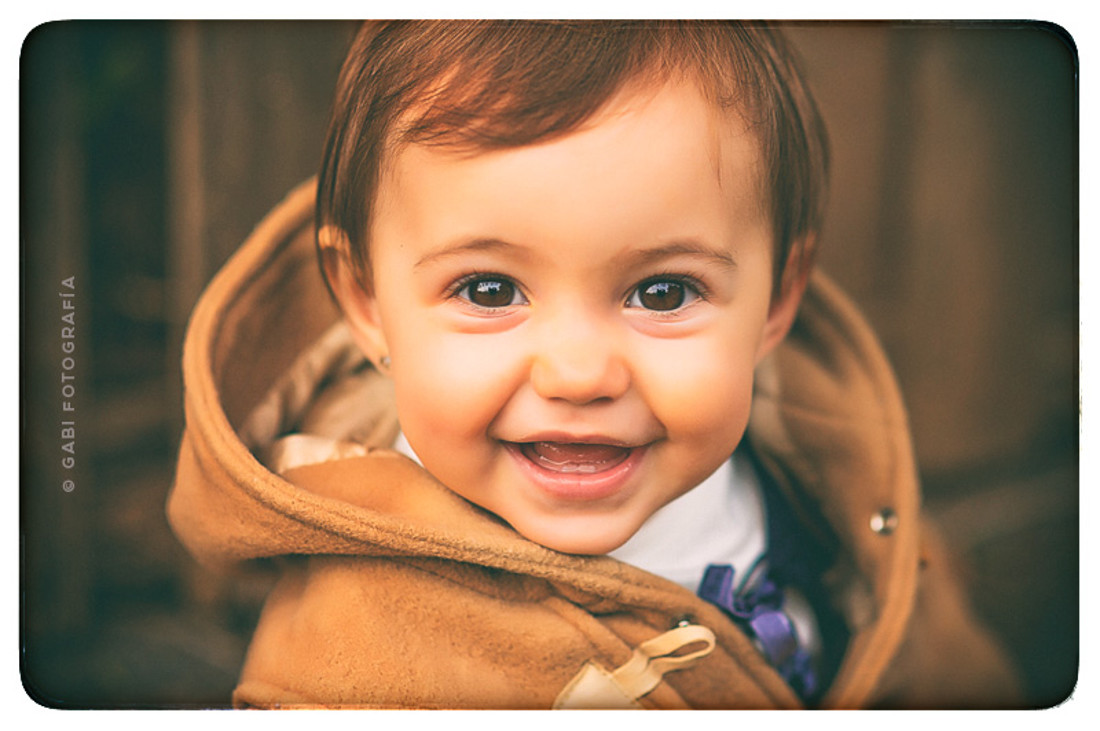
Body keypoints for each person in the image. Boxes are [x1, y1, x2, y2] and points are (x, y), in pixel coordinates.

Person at [168, 20, 1020, 709]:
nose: (578, 374)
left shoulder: (830, 462)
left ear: (776, 300)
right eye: (491, 287)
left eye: (661, 293)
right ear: (367, 303)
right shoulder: (358, 670)